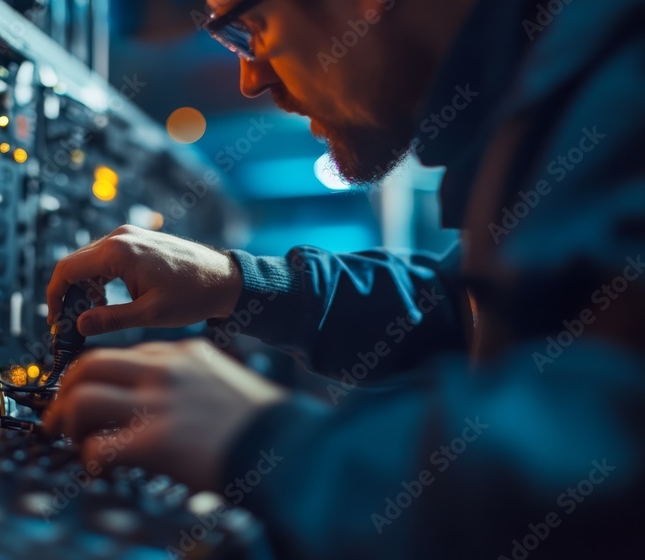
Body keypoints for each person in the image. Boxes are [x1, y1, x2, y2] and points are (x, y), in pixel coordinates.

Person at [42, 0, 645, 557]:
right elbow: (464, 310)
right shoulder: (553, 92)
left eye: (248, 29)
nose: (252, 79)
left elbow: (612, 452)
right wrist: (241, 283)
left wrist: (270, 446)